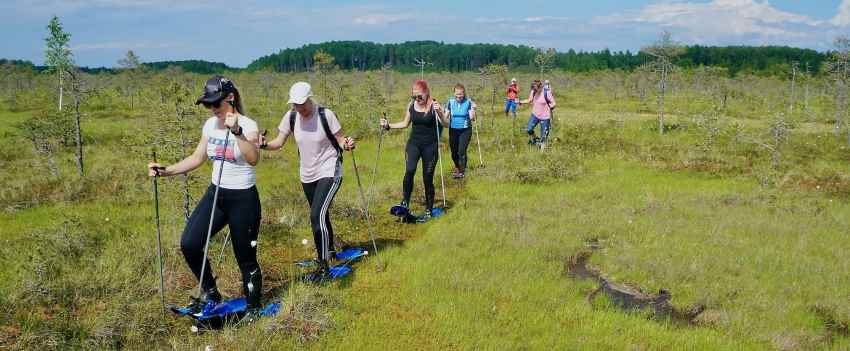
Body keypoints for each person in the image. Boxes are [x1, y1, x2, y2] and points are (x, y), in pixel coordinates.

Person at [147, 75, 263, 320]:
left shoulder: (248, 125)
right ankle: (212, 294)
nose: (212, 110)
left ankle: (253, 309)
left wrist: (237, 132)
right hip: (216, 195)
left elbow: (253, 158)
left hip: (243, 198)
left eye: (216, 104)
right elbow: (197, 158)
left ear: (230, 98)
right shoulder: (210, 126)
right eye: (208, 105)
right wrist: (166, 171)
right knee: (189, 243)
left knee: (245, 257)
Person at [260, 82, 355, 278]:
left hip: (330, 169)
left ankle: (323, 264)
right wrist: (264, 145)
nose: (299, 108)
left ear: (310, 98)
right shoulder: (291, 117)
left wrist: (347, 144)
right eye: (295, 104)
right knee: (321, 214)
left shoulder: (325, 115)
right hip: (307, 174)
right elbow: (278, 143)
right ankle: (329, 251)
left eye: (302, 103)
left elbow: (340, 140)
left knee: (315, 215)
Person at [380, 80, 450, 220]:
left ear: (426, 93)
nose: (417, 99)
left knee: (427, 178)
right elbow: (405, 124)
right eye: (414, 96)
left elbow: (446, 124)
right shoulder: (412, 105)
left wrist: (440, 113)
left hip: (430, 146)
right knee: (410, 170)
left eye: (419, 96)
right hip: (414, 144)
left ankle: (429, 210)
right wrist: (388, 126)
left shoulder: (435, 105)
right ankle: (405, 202)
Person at [445, 83, 477, 179]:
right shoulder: (450, 102)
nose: (459, 96)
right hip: (453, 130)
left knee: (461, 151)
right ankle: (457, 167)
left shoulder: (468, 102)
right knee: (454, 152)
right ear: (454, 93)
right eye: (457, 94)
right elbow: (445, 116)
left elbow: (472, 118)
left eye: (461, 94)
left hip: (465, 130)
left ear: (464, 93)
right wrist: (438, 113)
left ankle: (461, 171)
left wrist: (473, 109)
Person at [519, 80, 556, 147]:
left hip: (545, 117)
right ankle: (535, 139)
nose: (534, 91)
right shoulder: (533, 91)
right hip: (535, 115)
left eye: (536, 89)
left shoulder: (546, 93)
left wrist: (551, 107)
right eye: (533, 89)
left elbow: (553, 103)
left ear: (540, 87)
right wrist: (520, 102)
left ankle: (541, 153)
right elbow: (529, 100)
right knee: (529, 129)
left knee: (543, 137)